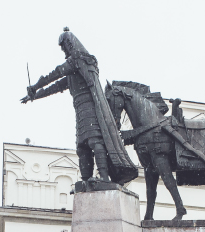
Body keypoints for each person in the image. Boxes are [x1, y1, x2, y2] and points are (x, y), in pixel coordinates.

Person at [21, 28, 137, 186]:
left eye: (63, 46)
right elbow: (54, 87)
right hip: (80, 110)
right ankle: (86, 179)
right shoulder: (73, 70)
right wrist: (34, 95)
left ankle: (103, 177)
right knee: (82, 146)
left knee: (95, 141)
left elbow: (56, 73)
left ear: (70, 44)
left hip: (91, 106)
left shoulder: (80, 59)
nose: (63, 50)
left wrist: (34, 86)